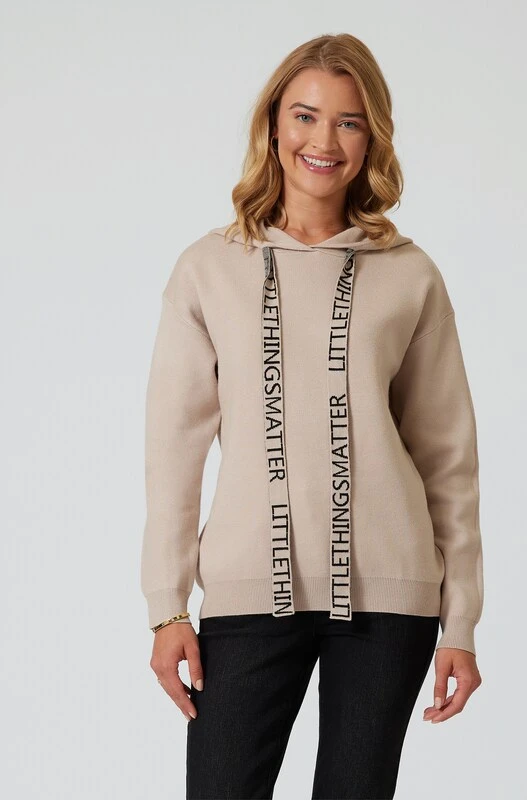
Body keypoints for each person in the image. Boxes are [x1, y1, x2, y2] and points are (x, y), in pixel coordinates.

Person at [141, 32, 484, 800]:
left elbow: (448, 459)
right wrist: (166, 607)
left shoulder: (410, 275)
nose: (323, 141)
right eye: (305, 115)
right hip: (246, 591)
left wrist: (460, 622)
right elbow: (172, 452)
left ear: (372, 138)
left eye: (348, 121)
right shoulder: (208, 268)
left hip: (389, 597)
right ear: (273, 125)